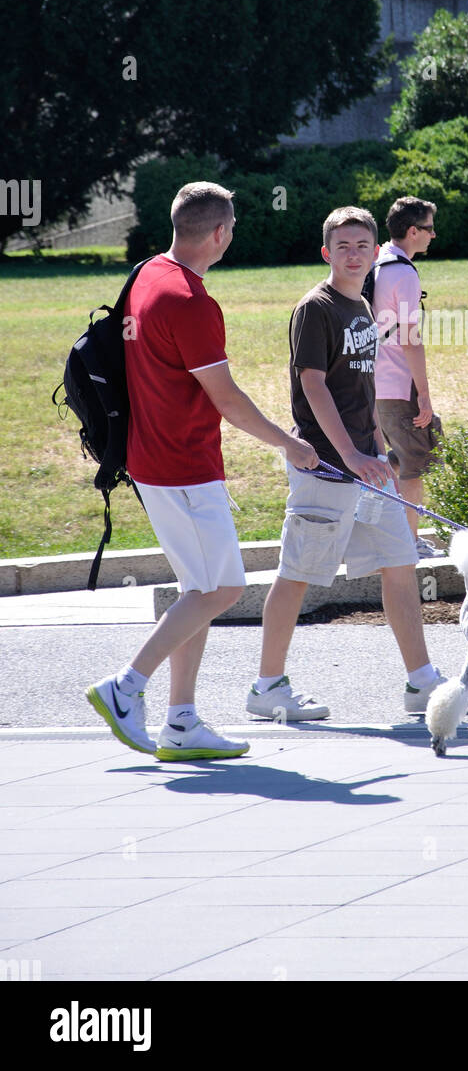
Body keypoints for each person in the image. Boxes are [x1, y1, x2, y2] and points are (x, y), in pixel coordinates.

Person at [85, 182, 319, 760]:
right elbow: (227, 399)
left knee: (199, 588)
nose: (232, 235)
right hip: (182, 465)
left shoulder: (147, 276)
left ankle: (181, 722)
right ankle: (125, 688)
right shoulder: (190, 301)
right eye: (232, 227)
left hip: (154, 460)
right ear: (219, 233)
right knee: (223, 587)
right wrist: (288, 445)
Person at [246, 205, 468, 719]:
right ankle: (267, 687)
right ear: (327, 253)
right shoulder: (317, 308)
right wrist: (350, 454)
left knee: (400, 565)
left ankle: (421, 683)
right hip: (325, 465)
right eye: (343, 247)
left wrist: (377, 449)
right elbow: (313, 385)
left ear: (376, 253)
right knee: (297, 574)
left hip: (370, 466)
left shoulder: (362, 307)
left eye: (362, 246)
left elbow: (363, 387)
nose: (353, 255)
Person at [371, 196, 444, 559]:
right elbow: (410, 340)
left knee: (398, 459)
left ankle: (393, 535)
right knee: (414, 464)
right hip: (399, 384)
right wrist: (425, 397)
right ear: (413, 231)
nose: (434, 235)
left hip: (372, 383)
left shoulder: (378, 262)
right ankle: (408, 543)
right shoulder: (403, 273)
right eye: (429, 228)